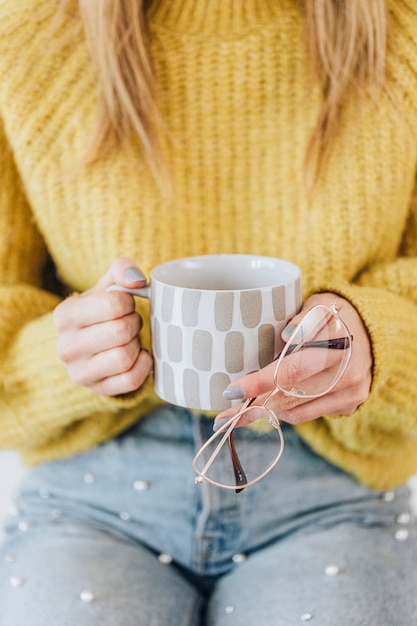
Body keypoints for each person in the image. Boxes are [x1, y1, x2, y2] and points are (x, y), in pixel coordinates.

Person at [0, 0, 416, 624]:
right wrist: (68, 358)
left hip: (333, 480)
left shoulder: (402, 26)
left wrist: (382, 340)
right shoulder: (24, 32)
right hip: (95, 486)